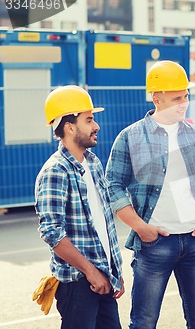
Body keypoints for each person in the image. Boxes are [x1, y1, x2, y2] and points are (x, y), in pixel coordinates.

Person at [105, 60, 195, 329]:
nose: (183, 103)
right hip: (153, 244)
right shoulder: (130, 137)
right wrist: (140, 227)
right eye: (176, 98)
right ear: (156, 98)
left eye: (185, 96)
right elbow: (112, 185)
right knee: (144, 323)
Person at [34, 85, 125, 328]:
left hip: (103, 278)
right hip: (77, 283)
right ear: (70, 127)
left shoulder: (93, 163)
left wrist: (113, 272)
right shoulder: (55, 171)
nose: (96, 126)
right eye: (89, 119)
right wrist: (91, 271)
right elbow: (52, 232)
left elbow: (103, 223)